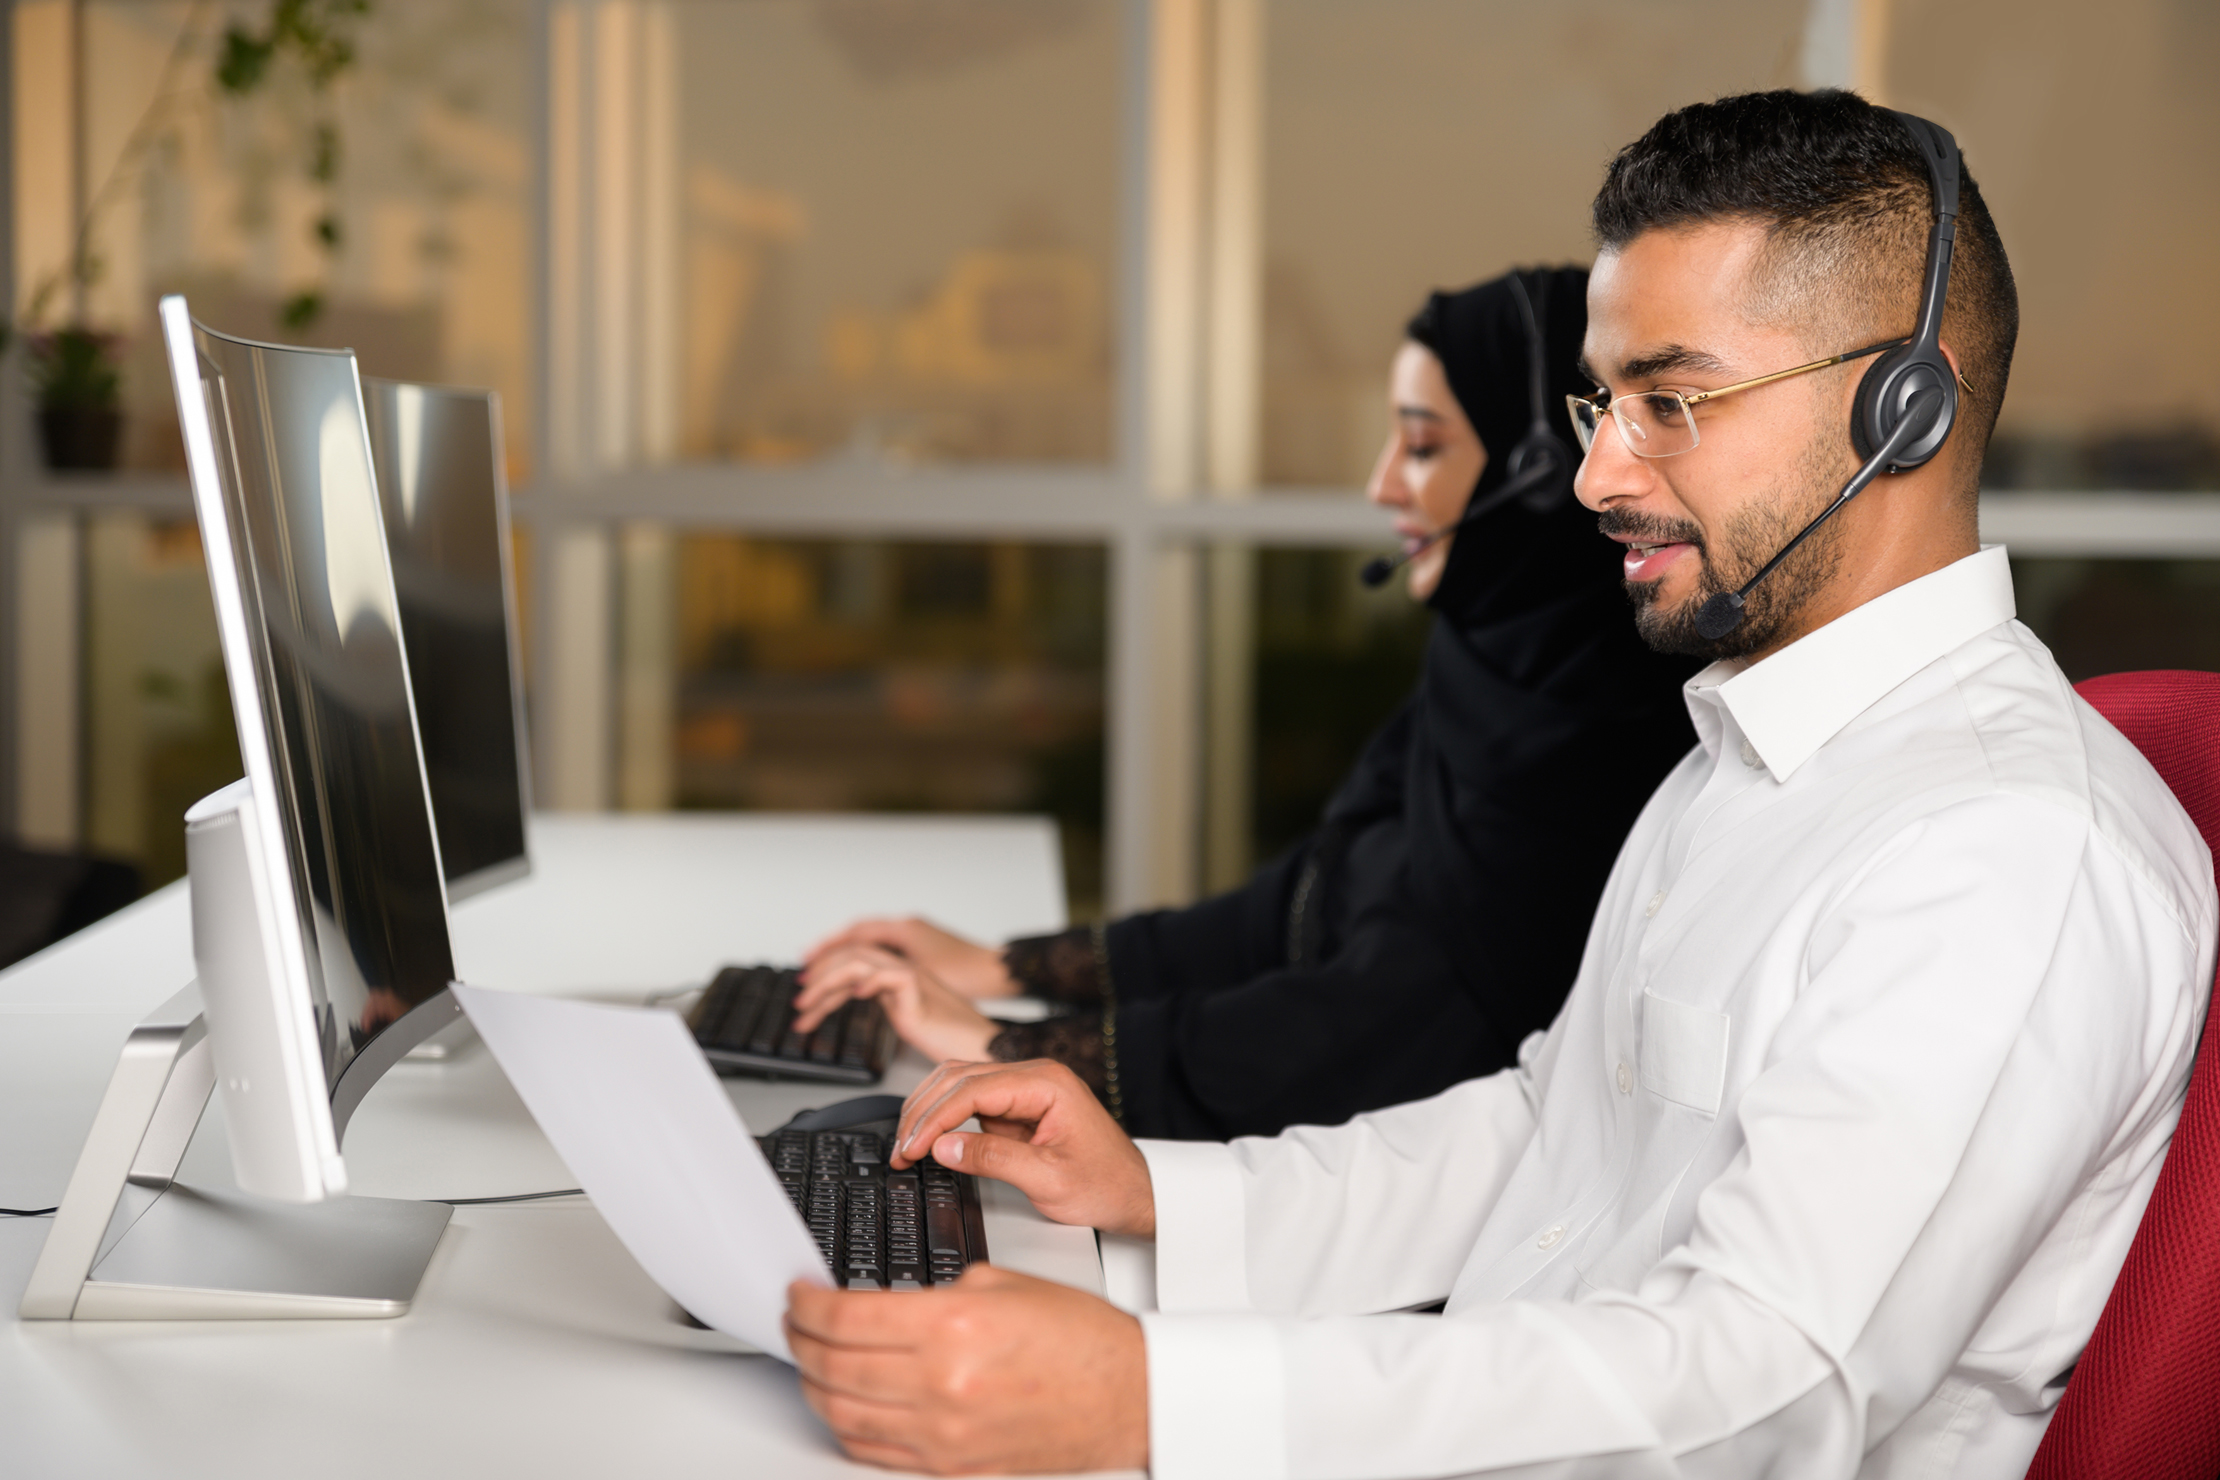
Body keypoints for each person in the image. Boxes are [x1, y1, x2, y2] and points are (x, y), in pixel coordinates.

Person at [779, 90, 2216, 1477]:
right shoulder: (1751, 753)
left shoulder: (2001, 853)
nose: (1598, 475)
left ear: (1901, 413)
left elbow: (1758, 1394)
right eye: (1605, 400)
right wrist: (1166, 1199)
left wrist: (1157, 1400)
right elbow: (1550, 1133)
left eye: (1671, 401)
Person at [793, 266, 1698, 1140]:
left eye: (1422, 446)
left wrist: (1007, 1047)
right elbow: (1306, 905)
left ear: (1535, 470)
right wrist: (1005, 967)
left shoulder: (1609, 740)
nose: (1384, 484)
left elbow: (1382, 1026)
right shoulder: (1492, 669)